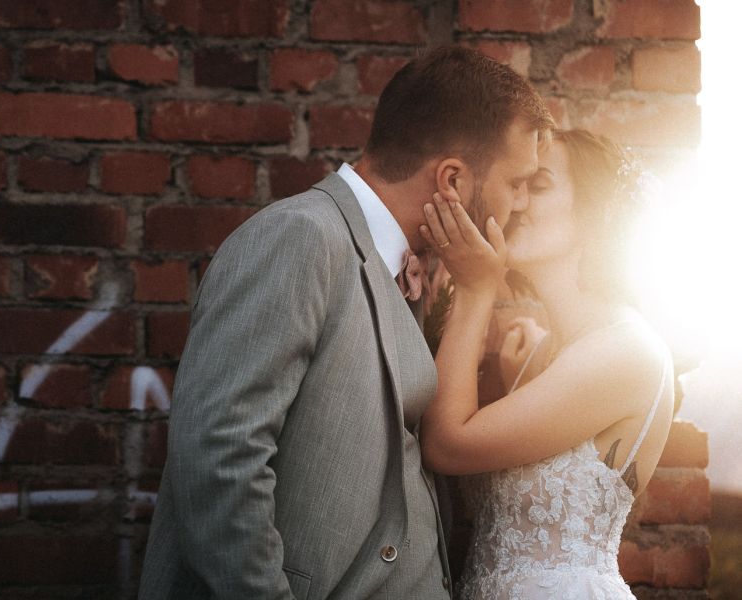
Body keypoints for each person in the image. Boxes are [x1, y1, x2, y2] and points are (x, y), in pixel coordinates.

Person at [137, 45, 553, 599]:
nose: (522, 202)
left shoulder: (406, 271)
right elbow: (219, 463)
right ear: (452, 180)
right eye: (518, 181)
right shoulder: (302, 237)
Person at [418, 129, 674, 599]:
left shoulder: (627, 351)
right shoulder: (542, 355)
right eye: (517, 187)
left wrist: (477, 288)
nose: (515, 203)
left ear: (595, 209)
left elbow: (447, 445)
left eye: (537, 187)